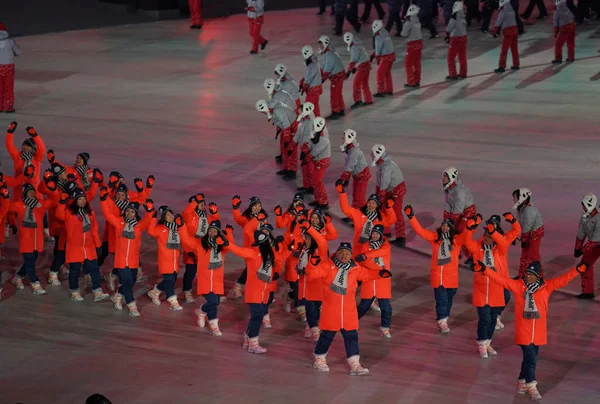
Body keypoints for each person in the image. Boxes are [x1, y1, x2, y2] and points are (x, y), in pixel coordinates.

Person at [473, 260, 589, 401]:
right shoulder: (518, 286)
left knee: (529, 359)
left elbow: (563, 280)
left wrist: (577, 270)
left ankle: (522, 383)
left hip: (539, 332)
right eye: (527, 274)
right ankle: (531, 385)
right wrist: (485, 269)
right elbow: (501, 280)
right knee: (531, 359)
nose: (528, 276)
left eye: (531, 274)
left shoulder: (546, 287)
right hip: (524, 331)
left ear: (537, 276)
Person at [307, 240, 392, 374]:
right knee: (327, 336)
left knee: (352, 336)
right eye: (341, 253)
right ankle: (319, 359)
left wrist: (379, 274)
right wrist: (312, 264)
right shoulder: (328, 266)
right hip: (331, 310)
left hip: (349, 312)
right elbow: (312, 274)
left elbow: (367, 274)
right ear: (337, 253)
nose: (344, 256)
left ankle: (355, 364)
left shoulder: (355, 269)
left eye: (347, 254)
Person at [404, 204, 469, 334]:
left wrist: (471, 224)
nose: (445, 227)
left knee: (448, 300)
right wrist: (411, 217)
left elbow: (467, 235)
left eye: (447, 226)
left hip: (452, 277)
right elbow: (420, 231)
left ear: (451, 229)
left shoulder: (456, 240)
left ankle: (442, 318)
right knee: (443, 300)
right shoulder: (435, 238)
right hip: (438, 276)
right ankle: (442, 321)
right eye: (443, 225)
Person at [463, 214, 521, 358]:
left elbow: (504, 241)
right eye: (485, 234)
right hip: (481, 290)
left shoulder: (500, 251)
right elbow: (466, 240)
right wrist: (470, 227)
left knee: (493, 319)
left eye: (489, 234)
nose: (486, 237)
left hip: (497, 290)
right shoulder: (477, 249)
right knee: (485, 319)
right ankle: (481, 343)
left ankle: (487, 342)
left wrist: (496, 230)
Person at [228, 230, 291, 353]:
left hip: (265, 292)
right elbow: (238, 250)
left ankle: (248, 338)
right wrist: (227, 243)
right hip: (254, 292)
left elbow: (281, 257)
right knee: (257, 316)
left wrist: (289, 248)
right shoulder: (252, 253)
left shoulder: (270, 254)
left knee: (257, 316)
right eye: (264, 242)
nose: (267, 244)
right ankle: (253, 343)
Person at [100, 188, 153, 316]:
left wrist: (150, 211)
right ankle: (131, 306)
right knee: (128, 283)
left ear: (135, 214)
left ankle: (118, 295)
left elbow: (147, 220)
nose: (129, 213)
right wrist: (103, 200)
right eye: (128, 211)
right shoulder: (119, 223)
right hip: (121, 260)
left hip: (134, 261)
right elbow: (107, 214)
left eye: (132, 212)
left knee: (132, 281)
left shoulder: (138, 226)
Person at [55, 188, 110, 302]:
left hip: (89, 247)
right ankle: (74, 291)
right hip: (75, 247)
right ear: (75, 200)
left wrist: (98, 245)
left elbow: (94, 229)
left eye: (84, 199)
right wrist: (61, 202)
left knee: (94, 269)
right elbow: (59, 215)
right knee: (75, 270)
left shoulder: (90, 213)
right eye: (79, 199)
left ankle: (97, 291)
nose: (82, 201)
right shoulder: (69, 213)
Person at [10, 183, 57, 295]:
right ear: (25, 193)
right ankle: (35, 284)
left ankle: (18, 277)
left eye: (33, 191)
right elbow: (6, 206)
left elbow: (54, 200)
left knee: (30, 262)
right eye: (29, 191)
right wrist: (5, 195)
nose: (32, 193)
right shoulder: (19, 205)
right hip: (26, 241)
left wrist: (50, 189)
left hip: (37, 241)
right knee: (30, 263)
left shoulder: (40, 204)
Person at [189, 221, 234, 335]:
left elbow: (230, 246)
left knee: (216, 302)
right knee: (213, 302)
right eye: (210, 230)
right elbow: (186, 240)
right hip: (205, 280)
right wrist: (181, 227)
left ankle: (202, 311)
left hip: (217, 281)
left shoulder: (221, 249)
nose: (212, 233)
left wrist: (228, 235)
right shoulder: (201, 246)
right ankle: (214, 326)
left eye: (214, 231)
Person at [147, 206, 191, 310]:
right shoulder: (160, 228)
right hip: (165, 261)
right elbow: (151, 231)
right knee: (170, 281)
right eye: (167, 215)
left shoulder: (176, 227)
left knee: (170, 280)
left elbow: (184, 237)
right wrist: (153, 218)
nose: (170, 216)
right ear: (163, 218)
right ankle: (173, 301)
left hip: (175, 261)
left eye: (171, 213)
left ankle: (155, 291)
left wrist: (182, 225)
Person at [336, 180, 397, 254]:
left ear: (377, 205)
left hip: (373, 251)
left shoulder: (380, 217)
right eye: (369, 202)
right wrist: (342, 194)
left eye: (373, 203)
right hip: (358, 248)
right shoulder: (359, 214)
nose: (371, 205)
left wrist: (389, 208)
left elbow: (392, 220)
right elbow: (345, 209)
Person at [355, 225, 394, 337]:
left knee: (386, 308)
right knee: (363, 307)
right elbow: (364, 263)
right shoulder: (365, 246)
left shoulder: (386, 247)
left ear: (381, 235)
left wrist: (365, 256)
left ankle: (384, 328)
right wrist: (379, 270)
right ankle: (351, 323)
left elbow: (380, 253)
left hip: (382, 282)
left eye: (377, 234)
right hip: (370, 280)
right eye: (373, 233)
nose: (375, 235)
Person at [181, 193, 221, 303]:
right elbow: (186, 212)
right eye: (199, 203)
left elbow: (216, 224)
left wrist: (215, 213)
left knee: (205, 271)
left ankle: (206, 290)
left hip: (204, 248)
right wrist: (188, 250)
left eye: (203, 203)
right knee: (190, 272)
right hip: (191, 247)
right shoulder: (189, 216)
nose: (202, 204)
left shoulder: (206, 217)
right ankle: (187, 291)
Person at [372, 144, 407, 247]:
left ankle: (401, 237)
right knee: (383, 209)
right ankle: (385, 230)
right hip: (389, 189)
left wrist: (380, 198)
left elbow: (384, 183)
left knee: (396, 213)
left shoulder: (386, 166)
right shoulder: (381, 163)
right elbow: (380, 182)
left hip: (396, 191)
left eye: (372, 154)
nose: (371, 155)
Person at [255, 99, 298, 181]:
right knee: (285, 150)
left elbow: (287, 125)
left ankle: (292, 172)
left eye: (262, 112)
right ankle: (286, 168)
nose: (262, 113)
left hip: (293, 129)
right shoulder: (273, 108)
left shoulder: (277, 111)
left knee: (291, 151)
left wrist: (286, 139)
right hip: (288, 128)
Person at [442, 167, 476, 264]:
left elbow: (459, 208)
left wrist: (451, 220)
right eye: (443, 176)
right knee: (453, 232)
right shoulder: (448, 188)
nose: (443, 178)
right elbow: (448, 204)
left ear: (452, 178)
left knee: (462, 234)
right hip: (459, 213)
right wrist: (446, 218)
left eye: (445, 176)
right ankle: (457, 253)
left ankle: (472, 257)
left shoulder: (459, 191)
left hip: (468, 213)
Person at [512, 188, 544, 278]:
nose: (514, 200)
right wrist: (515, 236)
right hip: (527, 234)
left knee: (533, 255)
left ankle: (539, 276)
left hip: (535, 234)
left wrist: (524, 239)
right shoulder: (521, 209)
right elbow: (518, 223)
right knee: (525, 255)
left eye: (515, 198)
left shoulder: (529, 210)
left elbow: (527, 225)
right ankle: (522, 275)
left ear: (522, 198)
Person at [574, 193, 600, 299]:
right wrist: (577, 247)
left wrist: (583, 250)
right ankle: (588, 292)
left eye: (583, 205)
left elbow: (595, 238)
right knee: (585, 265)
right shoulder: (585, 216)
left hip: (595, 243)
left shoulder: (599, 218)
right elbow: (581, 232)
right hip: (595, 245)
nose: (582, 207)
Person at [339, 129, 371, 212]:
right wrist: (347, 178)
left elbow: (350, 165)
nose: (342, 139)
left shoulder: (354, 151)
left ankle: (361, 216)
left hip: (362, 176)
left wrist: (343, 178)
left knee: (359, 197)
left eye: (343, 138)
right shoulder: (350, 149)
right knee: (356, 195)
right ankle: (355, 214)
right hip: (358, 176)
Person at [318, 35, 346, 120]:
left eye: (321, 44)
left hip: (337, 77)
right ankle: (341, 109)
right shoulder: (329, 52)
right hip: (338, 76)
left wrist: (322, 79)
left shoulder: (329, 54)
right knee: (338, 93)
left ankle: (335, 112)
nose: (320, 46)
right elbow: (324, 65)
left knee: (334, 95)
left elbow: (327, 68)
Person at [343, 33, 373, 108]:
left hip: (362, 67)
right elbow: (360, 57)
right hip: (366, 65)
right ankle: (368, 99)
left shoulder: (354, 47)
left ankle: (358, 100)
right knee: (365, 83)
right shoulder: (357, 43)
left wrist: (349, 71)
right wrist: (355, 68)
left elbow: (354, 59)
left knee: (356, 83)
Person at [307, 117, 331, 210]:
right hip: (317, 160)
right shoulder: (316, 134)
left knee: (317, 181)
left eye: (314, 125)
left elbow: (315, 151)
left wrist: (307, 157)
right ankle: (318, 200)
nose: (312, 127)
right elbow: (311, 144)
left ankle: (324, 201)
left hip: (322, 162)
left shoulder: (324, 139)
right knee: (315, 180)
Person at [493, 0, 520, 73]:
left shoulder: (503, 10)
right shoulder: (512, 10)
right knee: (514, 49)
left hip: (508, 32)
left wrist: (495, 30)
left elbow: (499, 20)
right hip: (515, 30)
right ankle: (516, 64)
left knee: (504, 50)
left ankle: (501, 66)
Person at [294, 102, 316, 193]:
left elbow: (309, 136)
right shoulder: (304, 120)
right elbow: (299, 132)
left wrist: (305, 150)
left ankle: (312, 186)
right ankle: (307, 185)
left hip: (309, 148)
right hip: (303, 147)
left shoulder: (311, 121)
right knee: (304, 167)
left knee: (310, 168)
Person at [0, 23, 21, 113]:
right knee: (9, 87)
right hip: (8, 66)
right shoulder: (10, 41)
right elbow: (18, 52)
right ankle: (8, 107)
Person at [400, 6, 423, 88]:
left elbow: (404, 34)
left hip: (412, 44)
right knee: (417, 63)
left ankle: (411, 82)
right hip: (419, 43)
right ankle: (417, 81)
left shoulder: (408, 23)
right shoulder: (418, 20)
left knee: (408, 64)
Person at [371, 20, 396, 96]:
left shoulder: (378, 36)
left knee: (380, 73)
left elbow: (378, 49)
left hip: (385, 57)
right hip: (391, 55)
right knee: (387, 73)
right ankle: (389, 90)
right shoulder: (385, 31)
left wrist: (376, 57)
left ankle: (380, 91)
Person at [445, 2, 468, 80]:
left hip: (456, 39)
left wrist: (447, 34)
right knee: (462, 56)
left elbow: (448, 28)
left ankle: (452, 74)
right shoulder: (463, 17)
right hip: (463, 38)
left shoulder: (454, 18)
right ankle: (463, 73)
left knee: (450, 57)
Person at [300, 45, 323, 117]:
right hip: (317, 88)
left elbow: (309, 77)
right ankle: (317, 118)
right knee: (315, 106)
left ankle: (307, 122)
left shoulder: (312, 65)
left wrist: (304, 85)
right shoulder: (314, 62)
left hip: (313, 89)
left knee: (308, 106)